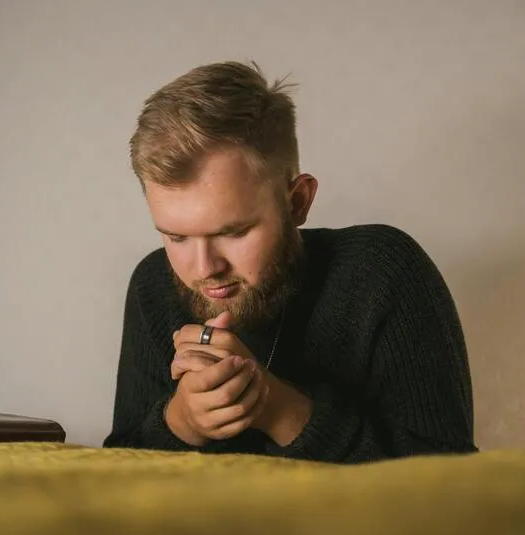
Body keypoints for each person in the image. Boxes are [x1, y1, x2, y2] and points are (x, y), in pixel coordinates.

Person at [102, 60, 478, 463]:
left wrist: (277, 410)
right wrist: (181, 421)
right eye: (175, 236)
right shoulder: (152, 285)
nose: (205, 267)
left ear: (297, 201)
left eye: (233, 233)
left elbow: (449, 473)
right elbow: (116, 471)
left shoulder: (382, 269)